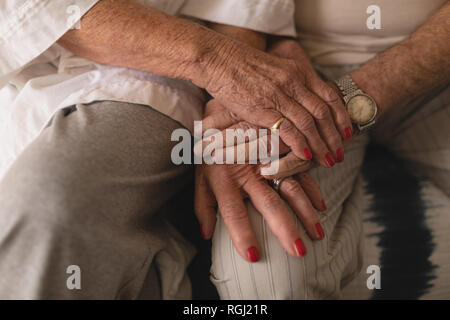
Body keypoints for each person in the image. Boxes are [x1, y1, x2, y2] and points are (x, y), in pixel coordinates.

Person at [0, 0, 343, 299]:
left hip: (152, 80)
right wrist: (218, 64)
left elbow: (242, 12)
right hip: (183, 64)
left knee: (45, 206)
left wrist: (231, 104)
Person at [196, 0, 450, 299]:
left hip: (436, 69)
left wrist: (351, 100)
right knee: (266, 285)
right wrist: (250, 69)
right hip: (295, 70)